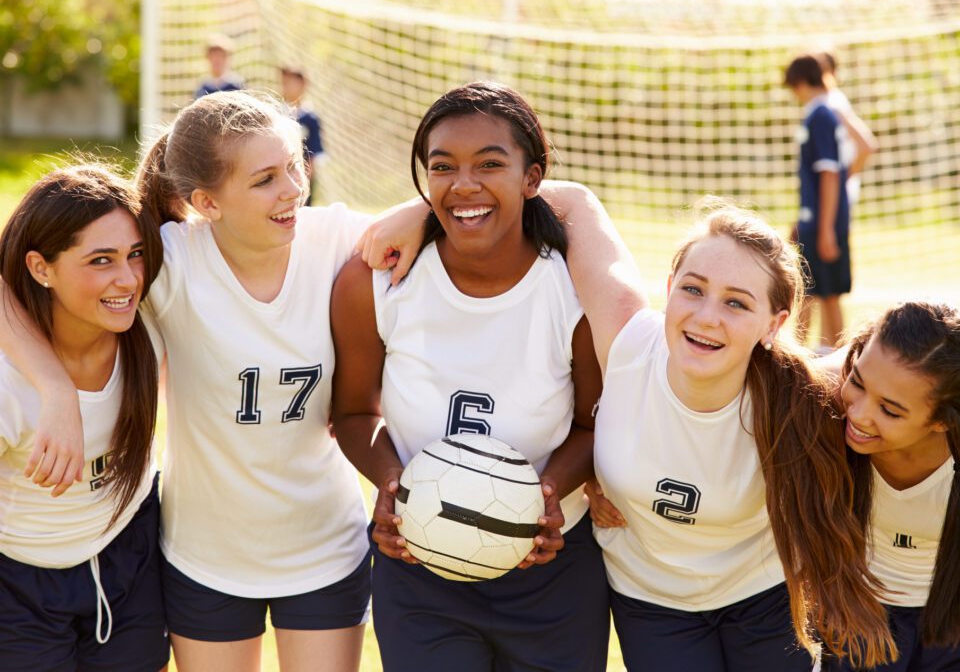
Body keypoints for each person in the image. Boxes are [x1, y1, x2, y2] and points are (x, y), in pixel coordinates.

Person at [0, 90, 638, 671]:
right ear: (206, 203)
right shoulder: (169, 261)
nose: (291, 190)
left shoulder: (341, 240)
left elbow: (480, 206)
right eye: (265, 180)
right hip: (201, 551)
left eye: (294, 167)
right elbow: (38, 270)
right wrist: (53, 389)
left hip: (322, 547)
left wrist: (419, 210)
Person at [330, 82, 610, 671]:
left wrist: (548, 494)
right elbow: (354, 414)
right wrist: (390, 485)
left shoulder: (573, 290)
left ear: (532, 179)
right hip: (419, 570)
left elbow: (593, 426)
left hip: (551, 575)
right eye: (442, 167)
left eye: (489, 164)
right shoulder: (375, 282)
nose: (463, 185)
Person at [585, 202, 895, 670]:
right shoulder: (626, 344)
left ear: (773, 324)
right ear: (669, 290)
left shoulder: (802, 396)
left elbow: (922, 350)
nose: (708, 317)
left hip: (762, 595)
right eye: (692, 289)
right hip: (650, 598)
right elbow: (573, 201)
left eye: (736, 302)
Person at [0, 165, 168, 671]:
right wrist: (55, 389)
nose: (127, 279)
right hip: (22, 580)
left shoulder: (153, 322)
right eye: (100, 260)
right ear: (40, 267)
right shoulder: (9, 380)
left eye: (134, 255)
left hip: (129, 554)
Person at [831, 301, 960, 671]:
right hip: (860, 616)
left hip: (948, 620)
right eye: (857, 382)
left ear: (942, 421)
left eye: (890, 410)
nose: (858, 414)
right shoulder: (824, 412)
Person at [784, 54, 851, 351]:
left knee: (823, 292)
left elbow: (830, 175)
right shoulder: (821, 114)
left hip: (824, 221)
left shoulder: (821, 115)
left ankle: (831, 355)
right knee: (814, 290)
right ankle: (810, 352)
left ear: (800, 81)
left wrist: (824, 227)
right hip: (815, 219)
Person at [815, 51, 879, 209]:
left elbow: (866, 146)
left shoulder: (832, 104)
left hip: (834, 195)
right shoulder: (822, 103)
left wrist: (840, 181)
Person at [280, 65, 324, 207]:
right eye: (285, 83)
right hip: (281, 174)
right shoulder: (277, 114)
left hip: (302, 177)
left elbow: (314, 152)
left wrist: (307, 179)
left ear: (303, 86)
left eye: (293, 83)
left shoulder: (310, 117)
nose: (288, 87)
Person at [194, 34, 246, 99]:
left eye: (221, 56)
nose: (217, 60)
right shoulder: (202, 87)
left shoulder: (237, 85)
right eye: (213, 56)